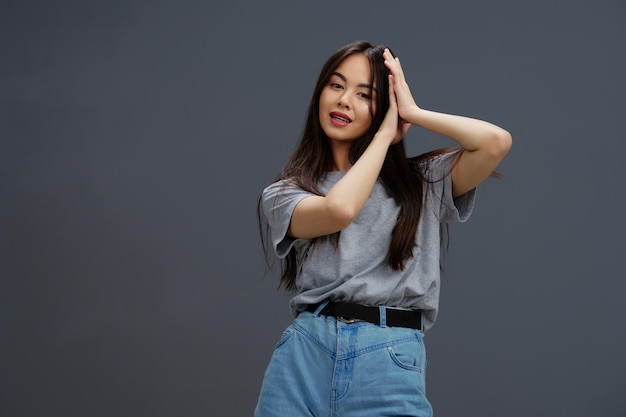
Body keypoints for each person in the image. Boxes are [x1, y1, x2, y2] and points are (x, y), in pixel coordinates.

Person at [254, 40, 512, 417]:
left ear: (385, 109)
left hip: (388, 357)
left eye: (365, 95)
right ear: (320, 93)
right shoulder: (285, 193)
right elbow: (340, 209)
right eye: (336, 85)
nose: (344, 101)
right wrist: (382, 138)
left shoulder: (421, 182)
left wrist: (414, 112)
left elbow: (495, 143)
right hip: (303, 355)